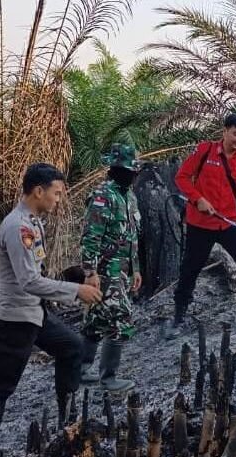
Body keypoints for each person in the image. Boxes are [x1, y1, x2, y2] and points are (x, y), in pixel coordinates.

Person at [0, 163, 103, 457]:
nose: (59, 199)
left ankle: (66, 418)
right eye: (56, 193)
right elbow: (28, 280)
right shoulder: (18, 228)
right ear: (38, 191)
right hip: (15, 318)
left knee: (71, 347)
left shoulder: (34, 221)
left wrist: (77, 276)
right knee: (2, 382)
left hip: (34, 312)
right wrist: (75, 291)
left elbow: (38, 272)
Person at [168, 113, 236, 336]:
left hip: (228, 222)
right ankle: (179, 314)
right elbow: (182, 178)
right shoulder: (204, 151)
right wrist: (198, 199)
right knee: (190, 269)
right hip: (200, 223)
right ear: (225, 131)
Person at [79, 143, 142, 393]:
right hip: (105, 271)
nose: (132, 175)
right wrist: (90, 273)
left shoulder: (129, 196)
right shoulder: (103, 196)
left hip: (123, 270)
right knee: (120, 319)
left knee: (96, 320)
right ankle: (109, 378)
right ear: (115, 170)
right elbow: (91, 237)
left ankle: (81, 369)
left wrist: (135, 269)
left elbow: (132, 236)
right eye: (128, 170)